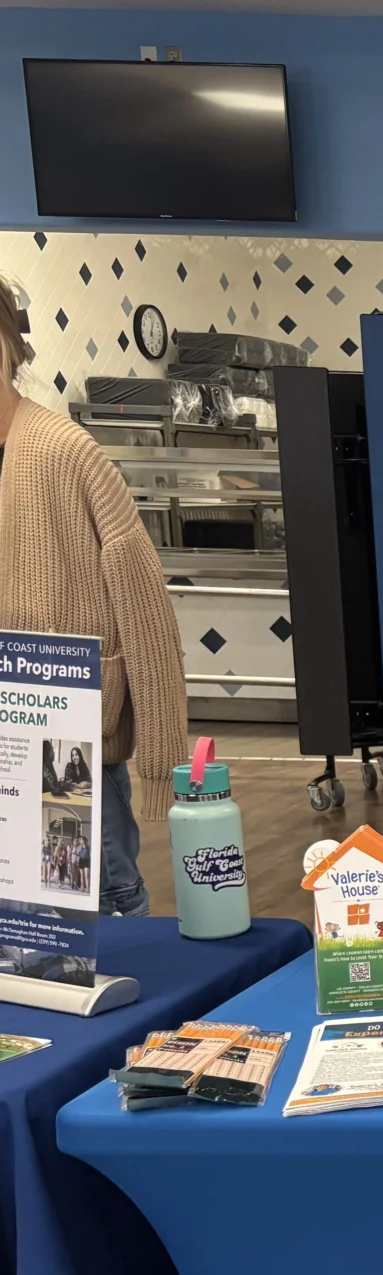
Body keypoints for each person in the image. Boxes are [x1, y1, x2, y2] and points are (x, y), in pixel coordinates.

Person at [0, 278, 186, 916]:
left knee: (95, 907)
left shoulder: (65, 452)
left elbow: (145, 614)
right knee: (19, 912)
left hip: (63, 739)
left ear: (9, 345)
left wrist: (163, 763)